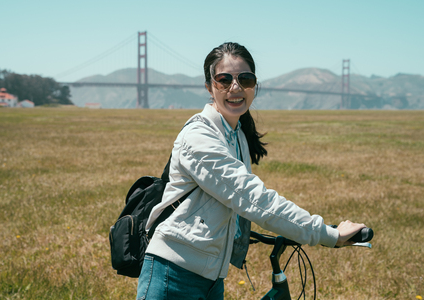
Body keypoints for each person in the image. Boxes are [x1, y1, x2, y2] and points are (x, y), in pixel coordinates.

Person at [136, 42, 366, 300]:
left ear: (255, 85)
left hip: (211, 279)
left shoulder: (237, 135)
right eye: (224, 80)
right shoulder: (199, 136)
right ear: (209, 87)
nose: (235, 87)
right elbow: (251, 198)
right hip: (173, 276)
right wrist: (325, 234)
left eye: (245, 79)